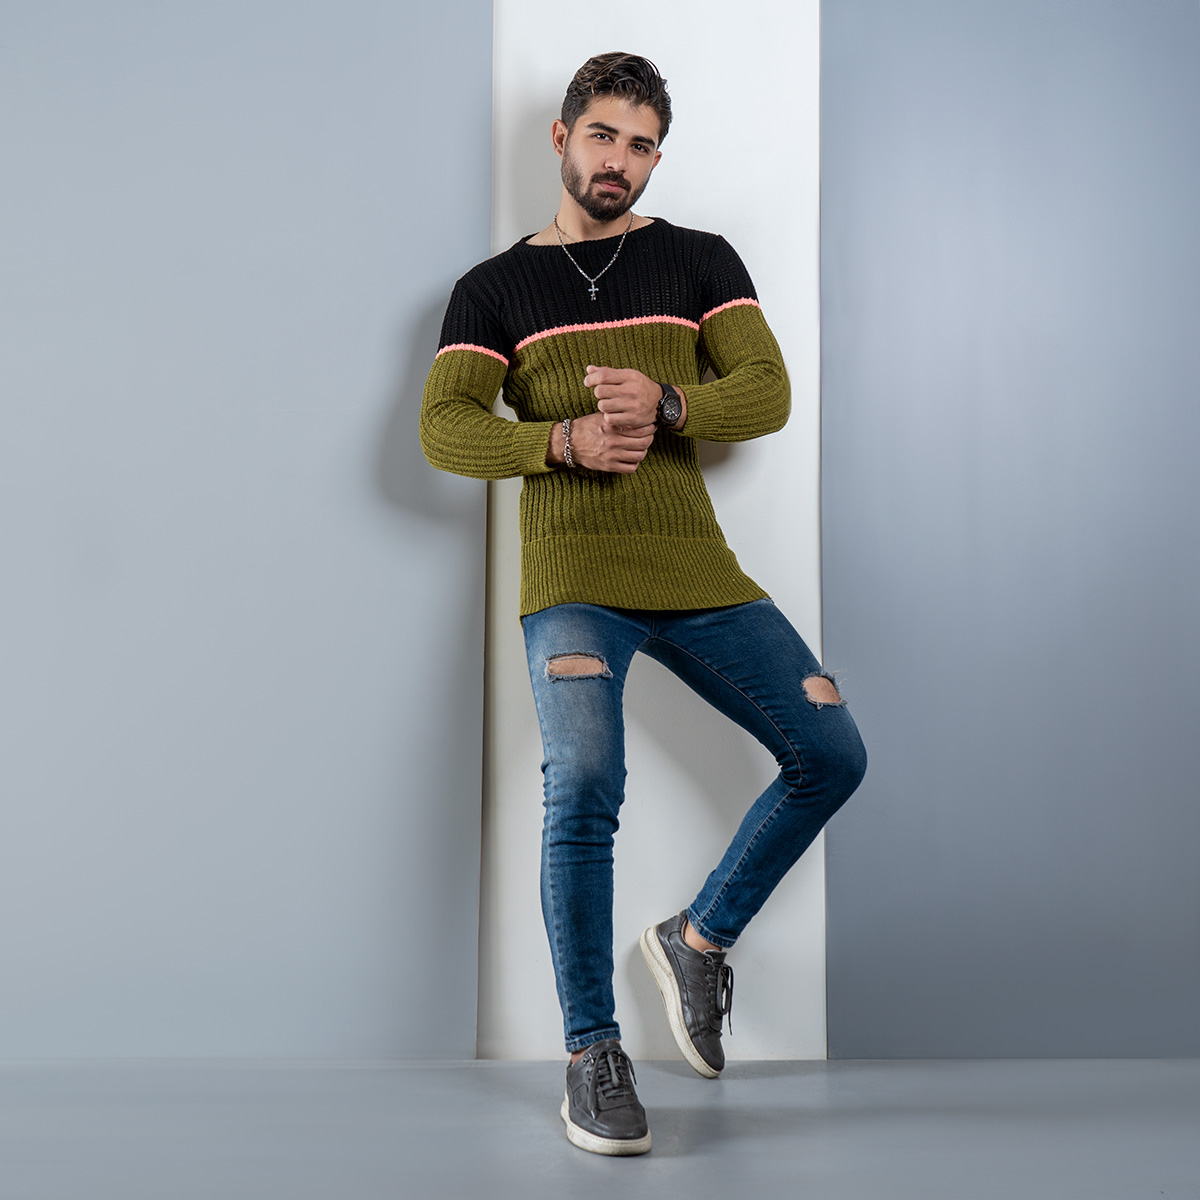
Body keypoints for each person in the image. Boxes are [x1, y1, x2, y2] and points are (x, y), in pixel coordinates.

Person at [420, 51, 867, 1157]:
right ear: (561, 136)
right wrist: (557, 441)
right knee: (583, 784)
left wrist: (670, 402)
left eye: (641, 144)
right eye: (602, 135)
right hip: (573, 582)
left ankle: (699, 940)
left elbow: (765, 391)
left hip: (698, 574)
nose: (619, 160)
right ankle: (591, 1052)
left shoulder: (699, 259)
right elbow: (444, 426)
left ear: (656, 157)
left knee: (831, 751)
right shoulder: (491, 289)